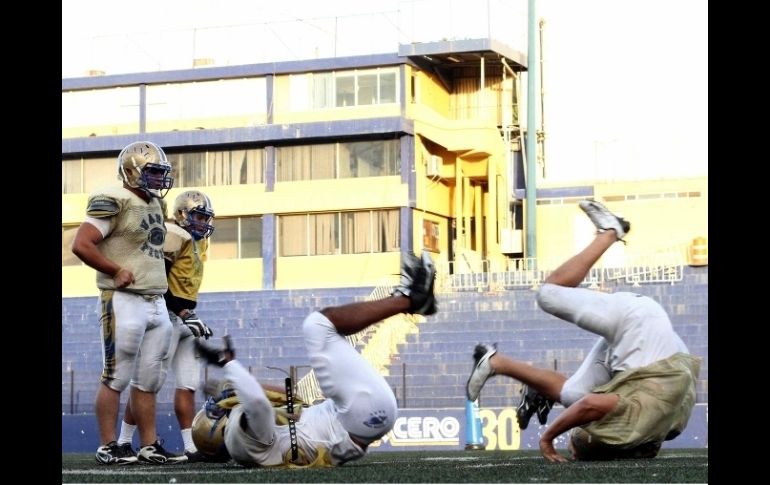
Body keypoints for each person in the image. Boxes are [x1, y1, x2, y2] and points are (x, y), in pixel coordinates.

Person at [465, 200, 701, 462]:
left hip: (655, 351)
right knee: (549, 294)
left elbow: (586, 404)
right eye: (576, 442)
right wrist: (548, 439)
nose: (574, 439)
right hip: (640, 324)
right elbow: (591, 407)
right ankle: (610, 232)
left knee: (573, 395)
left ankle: (496, 362)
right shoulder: (633, 422)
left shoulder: (665, 430)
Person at [191, 251, 437, 467]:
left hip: (360, 418)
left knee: (321, 327)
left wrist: (237, 382)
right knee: (317, 325)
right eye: (214, 411)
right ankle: (410, 299)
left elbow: (291, 398)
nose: (220, 404)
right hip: (363, 413)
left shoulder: (259, 445)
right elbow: (256, 404)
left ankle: (406, 299)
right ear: (217, 431)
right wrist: (229, 364)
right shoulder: (241, 439)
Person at [71, 141, 178, 465]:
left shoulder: (157, 206)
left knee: (149, 379)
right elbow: (82, 244)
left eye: (161, 173)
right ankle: (109, 445)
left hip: (155, 300)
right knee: (116, 376)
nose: (159, 179)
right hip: (124, 299)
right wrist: (115, 270)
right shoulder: (114, 199)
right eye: (153, 172)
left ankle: (148, 444)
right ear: (131, 171)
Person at [117, 190, 216, 463]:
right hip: (168, 315)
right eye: (198, 215)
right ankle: (124, 442)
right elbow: (158, 281)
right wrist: (182, 312)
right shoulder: (172, 233)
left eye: (206, 217)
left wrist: (190, 315)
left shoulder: (198, 242)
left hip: (186, 317)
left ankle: (191, 447)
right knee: (148, 383)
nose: (203, 222)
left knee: (188, 383)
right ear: (182, 214)